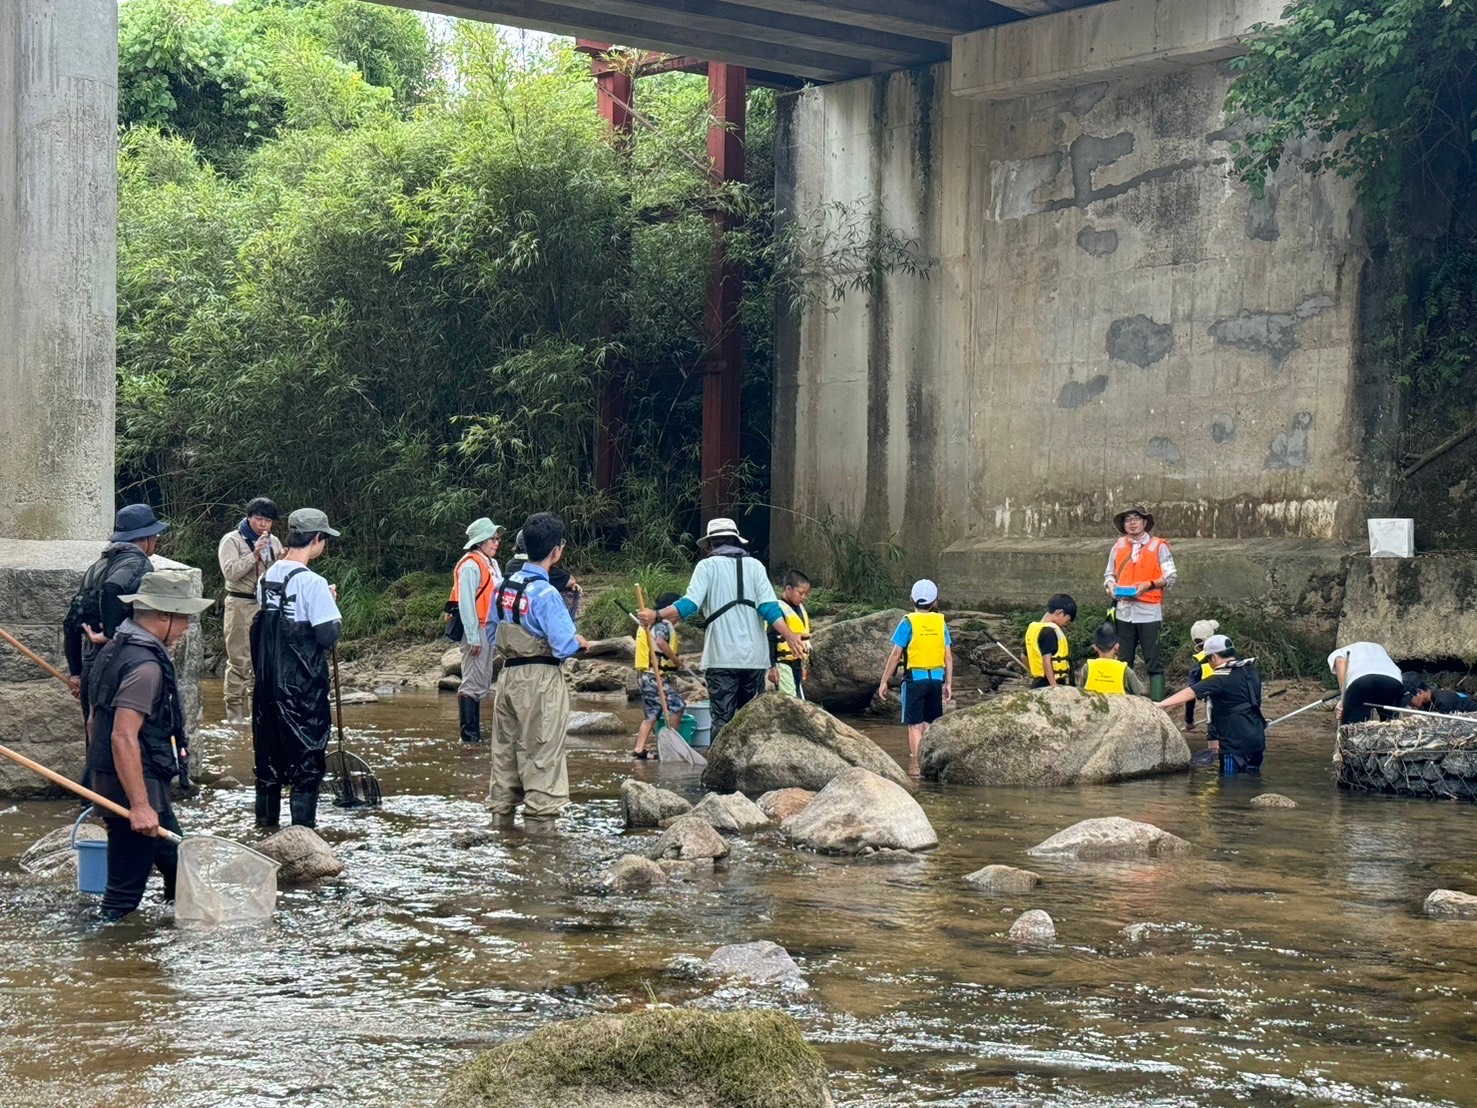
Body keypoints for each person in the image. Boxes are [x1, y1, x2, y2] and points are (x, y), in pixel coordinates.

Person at [83, 569, 212, 921]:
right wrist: (139, 804)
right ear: (162, 617)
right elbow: (122, 735)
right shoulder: (146, 667)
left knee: (178, 861)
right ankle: (104, 955)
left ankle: (179, 932)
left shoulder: (113, 647)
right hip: (134, 787)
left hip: (131, 779)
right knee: (123, 896)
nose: (187, 625)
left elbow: (95, 718)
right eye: (184, 616)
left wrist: (101, 774)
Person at [637, 518, 807, 739]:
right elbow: (769, 608)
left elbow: (689, 605)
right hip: (754, 659)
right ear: (737, 541)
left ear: (710, 545)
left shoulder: (706, 566)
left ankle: (719, 769)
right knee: (750, 719)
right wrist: (791, 636)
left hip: (721, 657)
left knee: (722, 720)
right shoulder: (756, 566)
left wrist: (657, 615)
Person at [487, 512, 588, 823]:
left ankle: (501, 823)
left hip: (507, 677)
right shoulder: (546, 594)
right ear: (557, 551)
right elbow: (563, 645)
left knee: (504, 754)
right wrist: (580, 642)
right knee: (542, 752)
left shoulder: (501, 586)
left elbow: (491, 632)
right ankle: (541, 840)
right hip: (541, 679)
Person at [250, 508, 342, 830]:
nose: (324, 546)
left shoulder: (266, 578)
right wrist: (330, 601)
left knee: (268, 762)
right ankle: (303, 834)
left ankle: (265, 828)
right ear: (316, 539)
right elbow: (326, 634)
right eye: (324, 540)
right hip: (301, 689)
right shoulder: (313, 583)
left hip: (266, 688)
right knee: (306, 761)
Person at [63, 503, 169, 723]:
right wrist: (113, 634)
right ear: (143, 538)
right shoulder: (137, 562)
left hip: (92, 665)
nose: (157, 540)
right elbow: (112, 589)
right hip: (119, 664)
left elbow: (71, 622)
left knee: (96, 738)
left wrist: (75, 672)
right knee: (123, 738)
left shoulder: (98, 566)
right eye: (155, 535)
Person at [216, 497, 283, 724]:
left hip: (266, 605)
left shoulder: (274, 541)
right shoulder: (232, 540)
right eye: (259, 519)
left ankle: (259, 715)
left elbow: (278, 573)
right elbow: (230, 573)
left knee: (263, 661)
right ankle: (234, 715)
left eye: (268, 520)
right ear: (249, 517)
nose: (263, 525)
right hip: (240, 604)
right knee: (239, 661)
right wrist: (253, 555)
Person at [1157, 634, 1265, 775]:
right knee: (1252, 781)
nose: (1208, 663)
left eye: (1208, 659)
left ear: (1214, 657)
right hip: (1257, 739)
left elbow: (1190, 692)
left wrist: (1161, 704)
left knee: (1229, 786)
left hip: (1234, 743)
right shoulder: (1250, 671)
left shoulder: (1220, 678)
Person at [876, 579, 953, 773]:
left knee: (915, 726)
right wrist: (948, 684)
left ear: (912, 599)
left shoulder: (907, 622)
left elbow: (896, 654)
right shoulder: (940, 622)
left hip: (914, 681)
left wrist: (884, 681)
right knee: (929, 724)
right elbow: (948, 657)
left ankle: (916, 769)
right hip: (936, 680)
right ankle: (928, 766)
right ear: (934, 602)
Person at [1104, 505, 1176, 701]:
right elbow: (1109, 574)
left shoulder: (1158, 546)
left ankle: (1158, 705)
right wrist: (1111, 587)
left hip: (1149, 612)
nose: (1132, 523)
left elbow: (1171, 577)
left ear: (1145, 522)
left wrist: (1149, 585)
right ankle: (1124, 702)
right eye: (1128, 520)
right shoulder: (1118, 546)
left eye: (1136, 518)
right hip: (1123, 611)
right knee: (1123, 659)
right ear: (1123, 525)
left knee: (1153, 660)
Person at [449, 517, 503, 744]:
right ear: (479, 541)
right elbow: (466, 604)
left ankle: (473, 737)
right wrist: (472, 637)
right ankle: (469, 738)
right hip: (476, 629)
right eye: (492, 538)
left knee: (481, 680)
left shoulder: (491, 563)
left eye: (497, 538)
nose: (496, 542)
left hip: (488, 628)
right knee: (472, 680)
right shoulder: (470, 565)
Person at [632, 591, 684, 760]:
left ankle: (639, 749)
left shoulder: (651, 624)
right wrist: (676, 660)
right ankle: (672, 744)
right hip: (654, 676)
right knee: (678, 706)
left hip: (644, 675)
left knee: (652, 713)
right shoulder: (662, 624)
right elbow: (660, 642)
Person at [506, 527, 582, 618]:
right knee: (572, 591)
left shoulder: (510, 564)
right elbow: (570, 580)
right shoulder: (541, 567)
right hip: (535, 616)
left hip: (513, 613)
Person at [1328, 641, 1403, 725]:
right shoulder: (1379, 648)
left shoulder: (1339, 652)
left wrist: (1344, 699)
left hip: (1360, 681)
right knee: (1392, 724)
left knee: (1356, 727)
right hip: (1393, 680)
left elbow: (1340, 662)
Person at [768, 570, 813, 699]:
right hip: (782, 663)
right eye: (801, 593)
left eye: (806, 594)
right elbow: (770, 639)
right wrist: (771, 667)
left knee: (799, 699)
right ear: (788, 589)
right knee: (790, 699)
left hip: (797, 663)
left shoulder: (800, 608)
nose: (804, 597)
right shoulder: (777, 610)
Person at [1077, 623, 1145, 695]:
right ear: (1117, 646)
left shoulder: (1087, 668)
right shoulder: (1125, 670)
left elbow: (1080, 693)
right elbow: (1140, 693)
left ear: (1095, 647)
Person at [1025, 594, 1076, 688]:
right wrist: (1054, 686)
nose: (1065, 624)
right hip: (1049, 684)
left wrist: (1034, 672)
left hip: (1038, 682)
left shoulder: (1033, 629)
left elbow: (1024, 656)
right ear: (1059, 612)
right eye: (1066, 621)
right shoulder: (1049, 631)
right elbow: (1046, 659)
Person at [1183, 618, 1220, 735]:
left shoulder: (1199, 664)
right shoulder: (1227, 651)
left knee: (1215, 737)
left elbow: (1190, 694)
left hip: (1215, 702)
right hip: (1237, 696)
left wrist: (1189, 720)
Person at [1402, 673, 1475, 714]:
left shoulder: (1444, 702)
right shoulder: (1431, 698)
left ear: (1419, 692)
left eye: (1410, 701)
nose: (1409, 705)